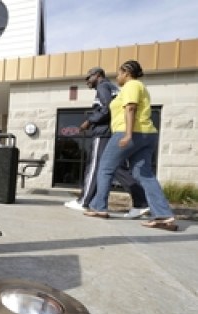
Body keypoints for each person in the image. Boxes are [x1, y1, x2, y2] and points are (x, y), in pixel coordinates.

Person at [84, 60, 177, 231]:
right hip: (146, 134)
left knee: (105, 167)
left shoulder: (131, 86)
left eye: (119, 73)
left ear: (126, 72)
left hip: (130, 132)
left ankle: (99, 207)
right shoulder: (139, 87)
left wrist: (127, 134)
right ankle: (163, 216)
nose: (117, 77)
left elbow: (131, 108)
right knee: (144, 174)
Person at [64, 66, 150, 218]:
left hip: (103, 133)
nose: (87, 81)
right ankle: (141, 201)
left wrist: (89, 122)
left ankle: (84, 201)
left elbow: (106, 109)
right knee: (116, 168)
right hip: (113, 131)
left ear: (97, 75)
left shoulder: (103, 86)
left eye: (88, 78)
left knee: (95, 166)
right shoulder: (112, 87)